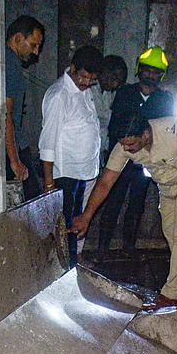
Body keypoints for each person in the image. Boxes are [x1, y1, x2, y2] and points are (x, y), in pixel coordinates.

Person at [70, 111, 177, 310]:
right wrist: (86, 216)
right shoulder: (124, 145)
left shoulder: (176, 129)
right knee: (172, 236)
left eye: (131, 145)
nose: (127, 149)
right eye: (124, 145)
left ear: (146, 135)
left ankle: (172, 295)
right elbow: (106, 182)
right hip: (165, 186)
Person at [98, 46, 175, 258]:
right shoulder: (125, 93)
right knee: (113, 201)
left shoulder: (165, 100)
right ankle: (103, 248)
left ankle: (129, 249)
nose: (150, 75)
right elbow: (113, 126)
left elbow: (168, 132)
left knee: (137, 204)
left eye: (155, 72)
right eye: (147, 70)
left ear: (161, 76)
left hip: (146, 163)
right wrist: (110, 152)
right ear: (139, 70)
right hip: (122, 158)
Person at [39, 46, 104, 268]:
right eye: (84, 77)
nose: (87, 83)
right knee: (64, 228)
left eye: (92, 79)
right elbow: (47, 141)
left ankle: (72, 266)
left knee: (76, 225)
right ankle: (63, 270)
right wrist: (49, 183)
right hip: (64, 175)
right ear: (73, 68)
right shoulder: (60, 95)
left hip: (82, 173)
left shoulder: (85, 92)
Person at [78, 55, 127, 254]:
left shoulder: (112, 94)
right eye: (113, 78)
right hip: (82, 155)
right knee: (81, 205)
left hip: (101, 154)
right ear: (104, 73)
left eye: (119, 81)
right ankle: (76, 252)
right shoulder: (87, 90)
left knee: (93, 200)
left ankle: (82, 250)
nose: (115, 84)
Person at [5, 15, 45, 201]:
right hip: (14, 145)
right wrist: (14, 160)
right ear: (18, 38)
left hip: (16, 143)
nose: (36, 52)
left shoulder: (8, 62)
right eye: (33, 45)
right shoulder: (11, 65)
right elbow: (6, 114)